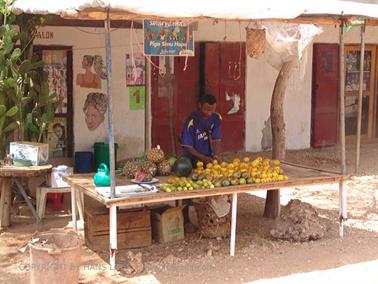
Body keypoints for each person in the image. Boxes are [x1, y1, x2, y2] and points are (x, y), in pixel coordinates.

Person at [181, 94, 222, 166]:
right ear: (200, 105)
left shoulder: (216, 118)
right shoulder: (191, 121)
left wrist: (217, 155)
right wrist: (202, 157)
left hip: (208, 156)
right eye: (207, 110)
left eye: (212, 110)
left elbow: (216, 139)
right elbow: (187, 146)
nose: (209, 113)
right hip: (192, 158)